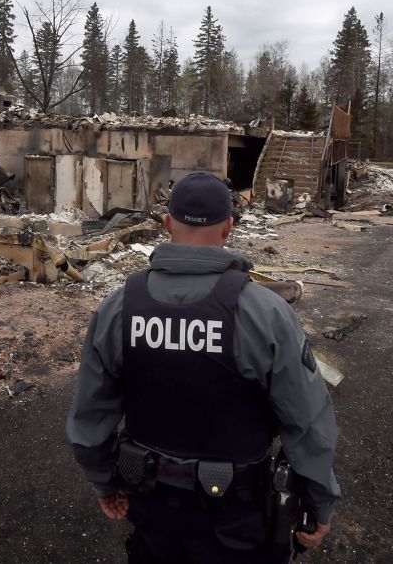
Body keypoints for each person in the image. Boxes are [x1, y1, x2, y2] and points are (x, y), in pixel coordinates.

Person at [67, 171, 340, 562]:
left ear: (166, 225)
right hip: (236, 519)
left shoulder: (119, 307)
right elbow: (307, 420)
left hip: (150, 509)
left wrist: (104, 482)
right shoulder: (265, 312)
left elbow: (90, 415)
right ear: (227, 228)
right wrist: (319, 501)